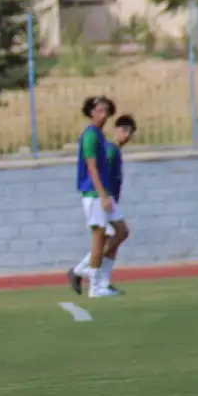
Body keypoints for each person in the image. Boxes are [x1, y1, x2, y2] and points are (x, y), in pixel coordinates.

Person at [71, 114, 135, 295]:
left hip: (109, 199)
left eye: (130, 132)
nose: (126, 135)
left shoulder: (115, 151)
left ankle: (103, 281)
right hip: (102, 198)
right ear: (115, 130)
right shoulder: (109, 149)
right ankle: (85, 273)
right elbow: (98, 172)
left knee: (116, 238)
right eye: (124, 130)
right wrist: (104, 196)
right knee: (111, 237)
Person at [68, 95, 120, 298]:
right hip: (94, 193)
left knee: (121, 231)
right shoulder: (90, 135)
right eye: (99, 110)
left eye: (106, 111)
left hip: (103, 193)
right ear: (91, 112)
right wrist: (102, 195)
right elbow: (91, 167)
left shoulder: (99, 135)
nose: (103, 114)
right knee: (99, 237)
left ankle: (82, 270)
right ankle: (96, 286)